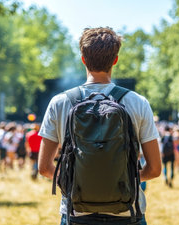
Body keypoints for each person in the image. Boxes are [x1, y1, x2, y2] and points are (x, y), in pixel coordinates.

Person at [38, 27, 161, 225]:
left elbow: (44, 167)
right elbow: (154, 169)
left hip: (76, 214)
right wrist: (124, 179)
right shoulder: (138, 102)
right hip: (127, 213)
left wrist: (75, 182)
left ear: (83, 59)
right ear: (115, 60)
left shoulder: (59, 103)